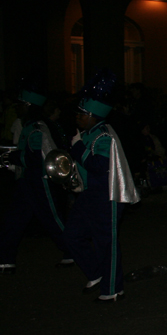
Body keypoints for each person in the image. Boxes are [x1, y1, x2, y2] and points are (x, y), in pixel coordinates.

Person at [62, 71, 140, 301]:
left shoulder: (103, 136)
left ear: (94, 116)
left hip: (107, 196)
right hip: (89, 195)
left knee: (107, 243)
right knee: (71, 236)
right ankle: (96, 274)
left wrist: (77, 149)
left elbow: (101, 166)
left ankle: (113, 288)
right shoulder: (88, 134)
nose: (78, 116)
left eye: (82, 113)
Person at [0, 84, 70, 274]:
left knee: (53, 219)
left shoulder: (37, 128)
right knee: (14, 220)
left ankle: (74, 251)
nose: (17, 107)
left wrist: (13, 157)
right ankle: (6, 259)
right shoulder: (30, 126)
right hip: (26, 181)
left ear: (29, 105)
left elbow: (36, 158)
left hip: (39, 181)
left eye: (21, 104)